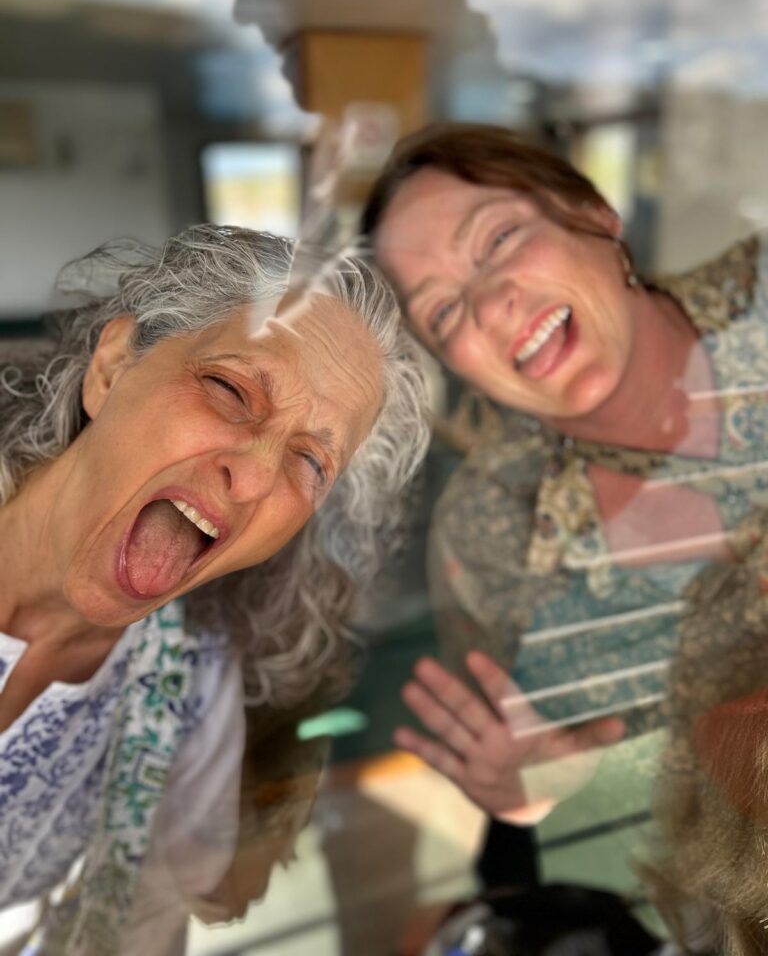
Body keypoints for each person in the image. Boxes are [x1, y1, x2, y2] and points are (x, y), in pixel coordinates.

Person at [0, 225, 429, 955]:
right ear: (112, 366)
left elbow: (157, 916)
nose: (255, 477)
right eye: (230, 391)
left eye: (310, 464)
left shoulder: (190, 687)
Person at [360, 122, 768, 873]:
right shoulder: (488, 527)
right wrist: (530, 794)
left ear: (593, 214)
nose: (490, 304)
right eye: (443, 312)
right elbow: (544, 771)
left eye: (498, 239)